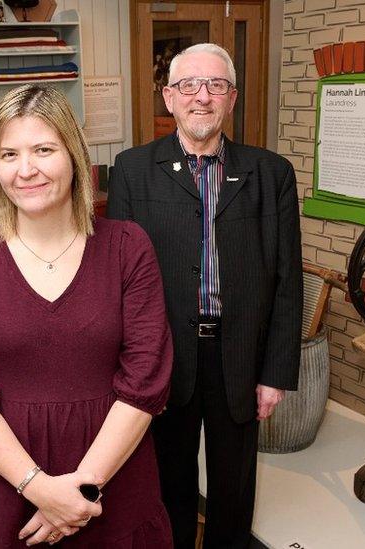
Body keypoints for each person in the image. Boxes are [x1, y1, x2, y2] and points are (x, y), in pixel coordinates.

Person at [0, 84, 174, 547]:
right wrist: (40, 488)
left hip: (109, 470)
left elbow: (145, 378)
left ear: (75, 155)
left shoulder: (127, 246)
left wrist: (83, 489)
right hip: (1, 475)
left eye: (43, 149)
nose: (25, 170)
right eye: (8, 154)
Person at [107, 43, 303, 548]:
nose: (202, 96)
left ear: (232, 98)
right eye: (189, 85)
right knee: (166, 481)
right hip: (164, 357)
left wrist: (274, 373)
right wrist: (126, 368)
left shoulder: (271, 174)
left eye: (216, 85)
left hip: (238, 356)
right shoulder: (132, 169)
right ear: (169, 97)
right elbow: (117, 281)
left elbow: (286, 280)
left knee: (233, 489)